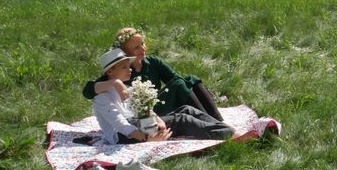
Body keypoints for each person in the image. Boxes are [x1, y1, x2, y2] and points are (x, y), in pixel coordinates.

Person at [93, 47, 235, 145]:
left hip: (137, 123)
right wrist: (148, 138)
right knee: (181, 120)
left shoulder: (127, 88)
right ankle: (231, 135)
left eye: (128, 66)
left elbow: (143, 109)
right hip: (124, 136)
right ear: (110, 72)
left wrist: (158, 119)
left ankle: (224, 128)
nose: (129, 70)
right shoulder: (102, 98)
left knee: (186, 109)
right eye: (124, 67)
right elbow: (121, 125)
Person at [83, 27, 223, 120]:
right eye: (136, 47)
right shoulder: (119, 70)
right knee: (181, 84)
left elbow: (174, 78)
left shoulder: (152, 62)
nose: (142, 49)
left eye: (143, 44)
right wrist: (115, 83)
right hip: (144, 114)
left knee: (190, 80)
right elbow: (88, 91)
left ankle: (217, 119)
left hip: (159, 104)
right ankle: (210, 123)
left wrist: (189, 88)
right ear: (125, 52)